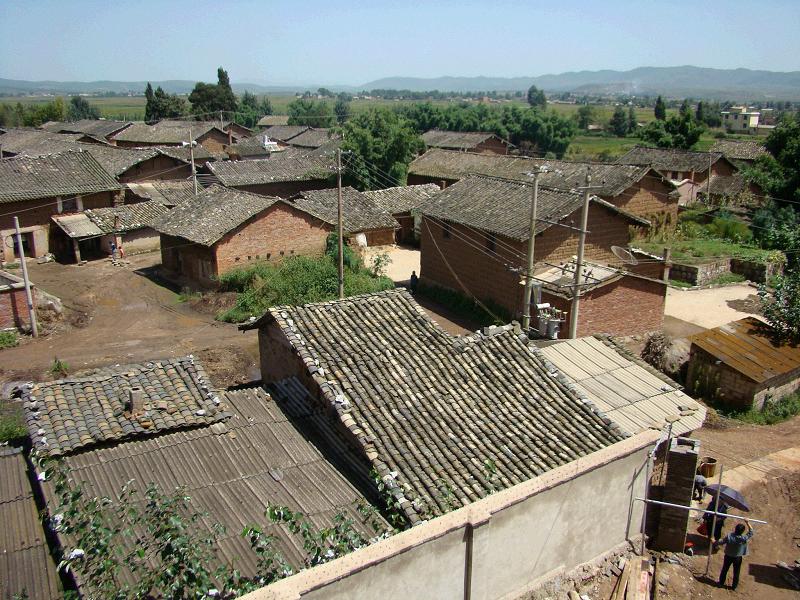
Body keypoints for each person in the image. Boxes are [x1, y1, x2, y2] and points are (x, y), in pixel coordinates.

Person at [716, 520, 754, 590]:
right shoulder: (743, 538)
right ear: (742, 532)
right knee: (736, 572)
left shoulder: (729, 536)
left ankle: (721, 583)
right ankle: (734, 586)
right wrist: (747, 522)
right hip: (737, 558)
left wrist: (715, 542)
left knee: (724, 569)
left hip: (728, 556)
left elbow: (722, 542)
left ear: (735, 529)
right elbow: (751, 532)